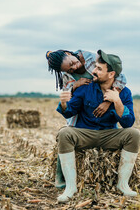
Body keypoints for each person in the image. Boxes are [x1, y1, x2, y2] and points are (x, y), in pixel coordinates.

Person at [55, 50, 140, 203]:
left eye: (99, 69)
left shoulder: (124, 93)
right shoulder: (85, 87)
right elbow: (69, 112)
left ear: (111, 74)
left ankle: (123, 184)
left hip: (109, 135)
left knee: (134, 134)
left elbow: (128, 123)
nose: (93, 71)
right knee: (64, 133)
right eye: (95, 67)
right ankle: (70, 187)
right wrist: (63, 103)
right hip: (85, 134)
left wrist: (117, 101)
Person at [46, 49, 128, 189]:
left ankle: (122, 181)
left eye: (73, 63)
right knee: (66, 134)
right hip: (82, 104)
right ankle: (60, 177)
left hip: (103, 98)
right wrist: (73, 87)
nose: (74, 68)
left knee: (111, 127)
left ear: (68, 53)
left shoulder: (92, 59)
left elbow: (121, 79)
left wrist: (108, 102)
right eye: (70, 69)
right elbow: (68, 96)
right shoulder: (67, 75)